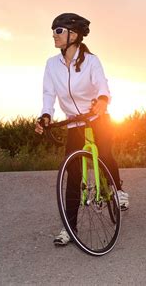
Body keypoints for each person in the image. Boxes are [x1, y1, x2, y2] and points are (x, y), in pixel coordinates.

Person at [35, 13, 129, 246]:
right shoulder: (51, 65)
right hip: (74, 123)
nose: (54, 35)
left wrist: (102, 100)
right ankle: (69, 227)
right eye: (54, 30)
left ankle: (117, 189)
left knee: (105, 155)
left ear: (73, 35)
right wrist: (46, 115)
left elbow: (101, 85)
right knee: (73, 174)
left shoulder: (91, 61)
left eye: (59, 31)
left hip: (97, 119)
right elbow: (49, 94)